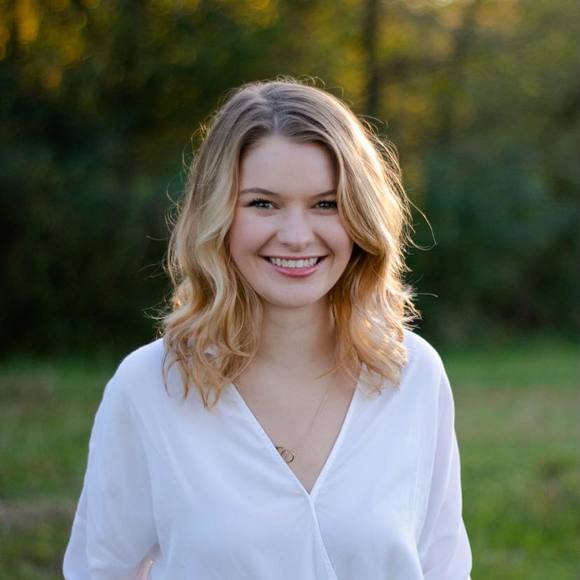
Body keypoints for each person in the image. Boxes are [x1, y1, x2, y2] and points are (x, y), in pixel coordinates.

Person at [63, 77, 472, 579]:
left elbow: (444, 567)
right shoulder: (150, 385)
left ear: (360, 216)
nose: (297, 236)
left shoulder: (413, 374)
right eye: (263, 203)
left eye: (326, 203)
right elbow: (100, 569)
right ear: (217, 215)